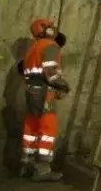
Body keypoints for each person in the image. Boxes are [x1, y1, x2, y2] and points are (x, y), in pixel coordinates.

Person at [21, 18, 69, 182]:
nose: (54, 29)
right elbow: (51, 71)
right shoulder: (50, 46)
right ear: (47, 30)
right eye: (52, 26)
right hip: (44, 92)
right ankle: (42, 170)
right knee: (47, 130)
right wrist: (63, 86)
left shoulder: (32, 48)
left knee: (32, 128)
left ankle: (27, 164)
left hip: (31, 91)